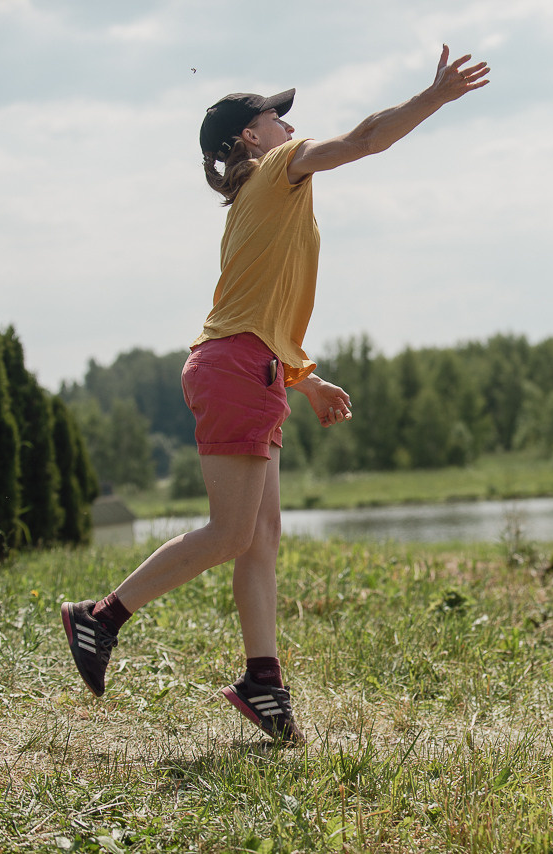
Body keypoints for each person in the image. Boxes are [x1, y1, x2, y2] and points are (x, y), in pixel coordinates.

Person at [61, 45, 490, 744]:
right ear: (249, 138)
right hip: (236, 370)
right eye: (276, 117)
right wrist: (433, 97)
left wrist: (305, 377)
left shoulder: (262, 200)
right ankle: (100, 617)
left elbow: (260, 307)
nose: (291, 127)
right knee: (232, 532)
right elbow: (367, 138)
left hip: (250, 366)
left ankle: (264, 682)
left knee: (260, 538)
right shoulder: (280, 170)